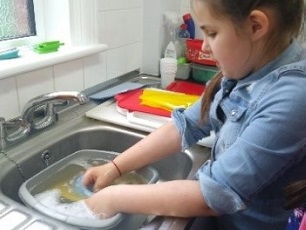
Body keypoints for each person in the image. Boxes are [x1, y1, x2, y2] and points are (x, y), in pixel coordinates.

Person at [80, 0, 306, 229]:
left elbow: (214, 195)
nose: (205, 47)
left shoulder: (294, 96)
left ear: (256, 26)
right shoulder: (247, 69)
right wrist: (116, 167)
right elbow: (185, 125)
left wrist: (113, 198)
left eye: (212, 33)